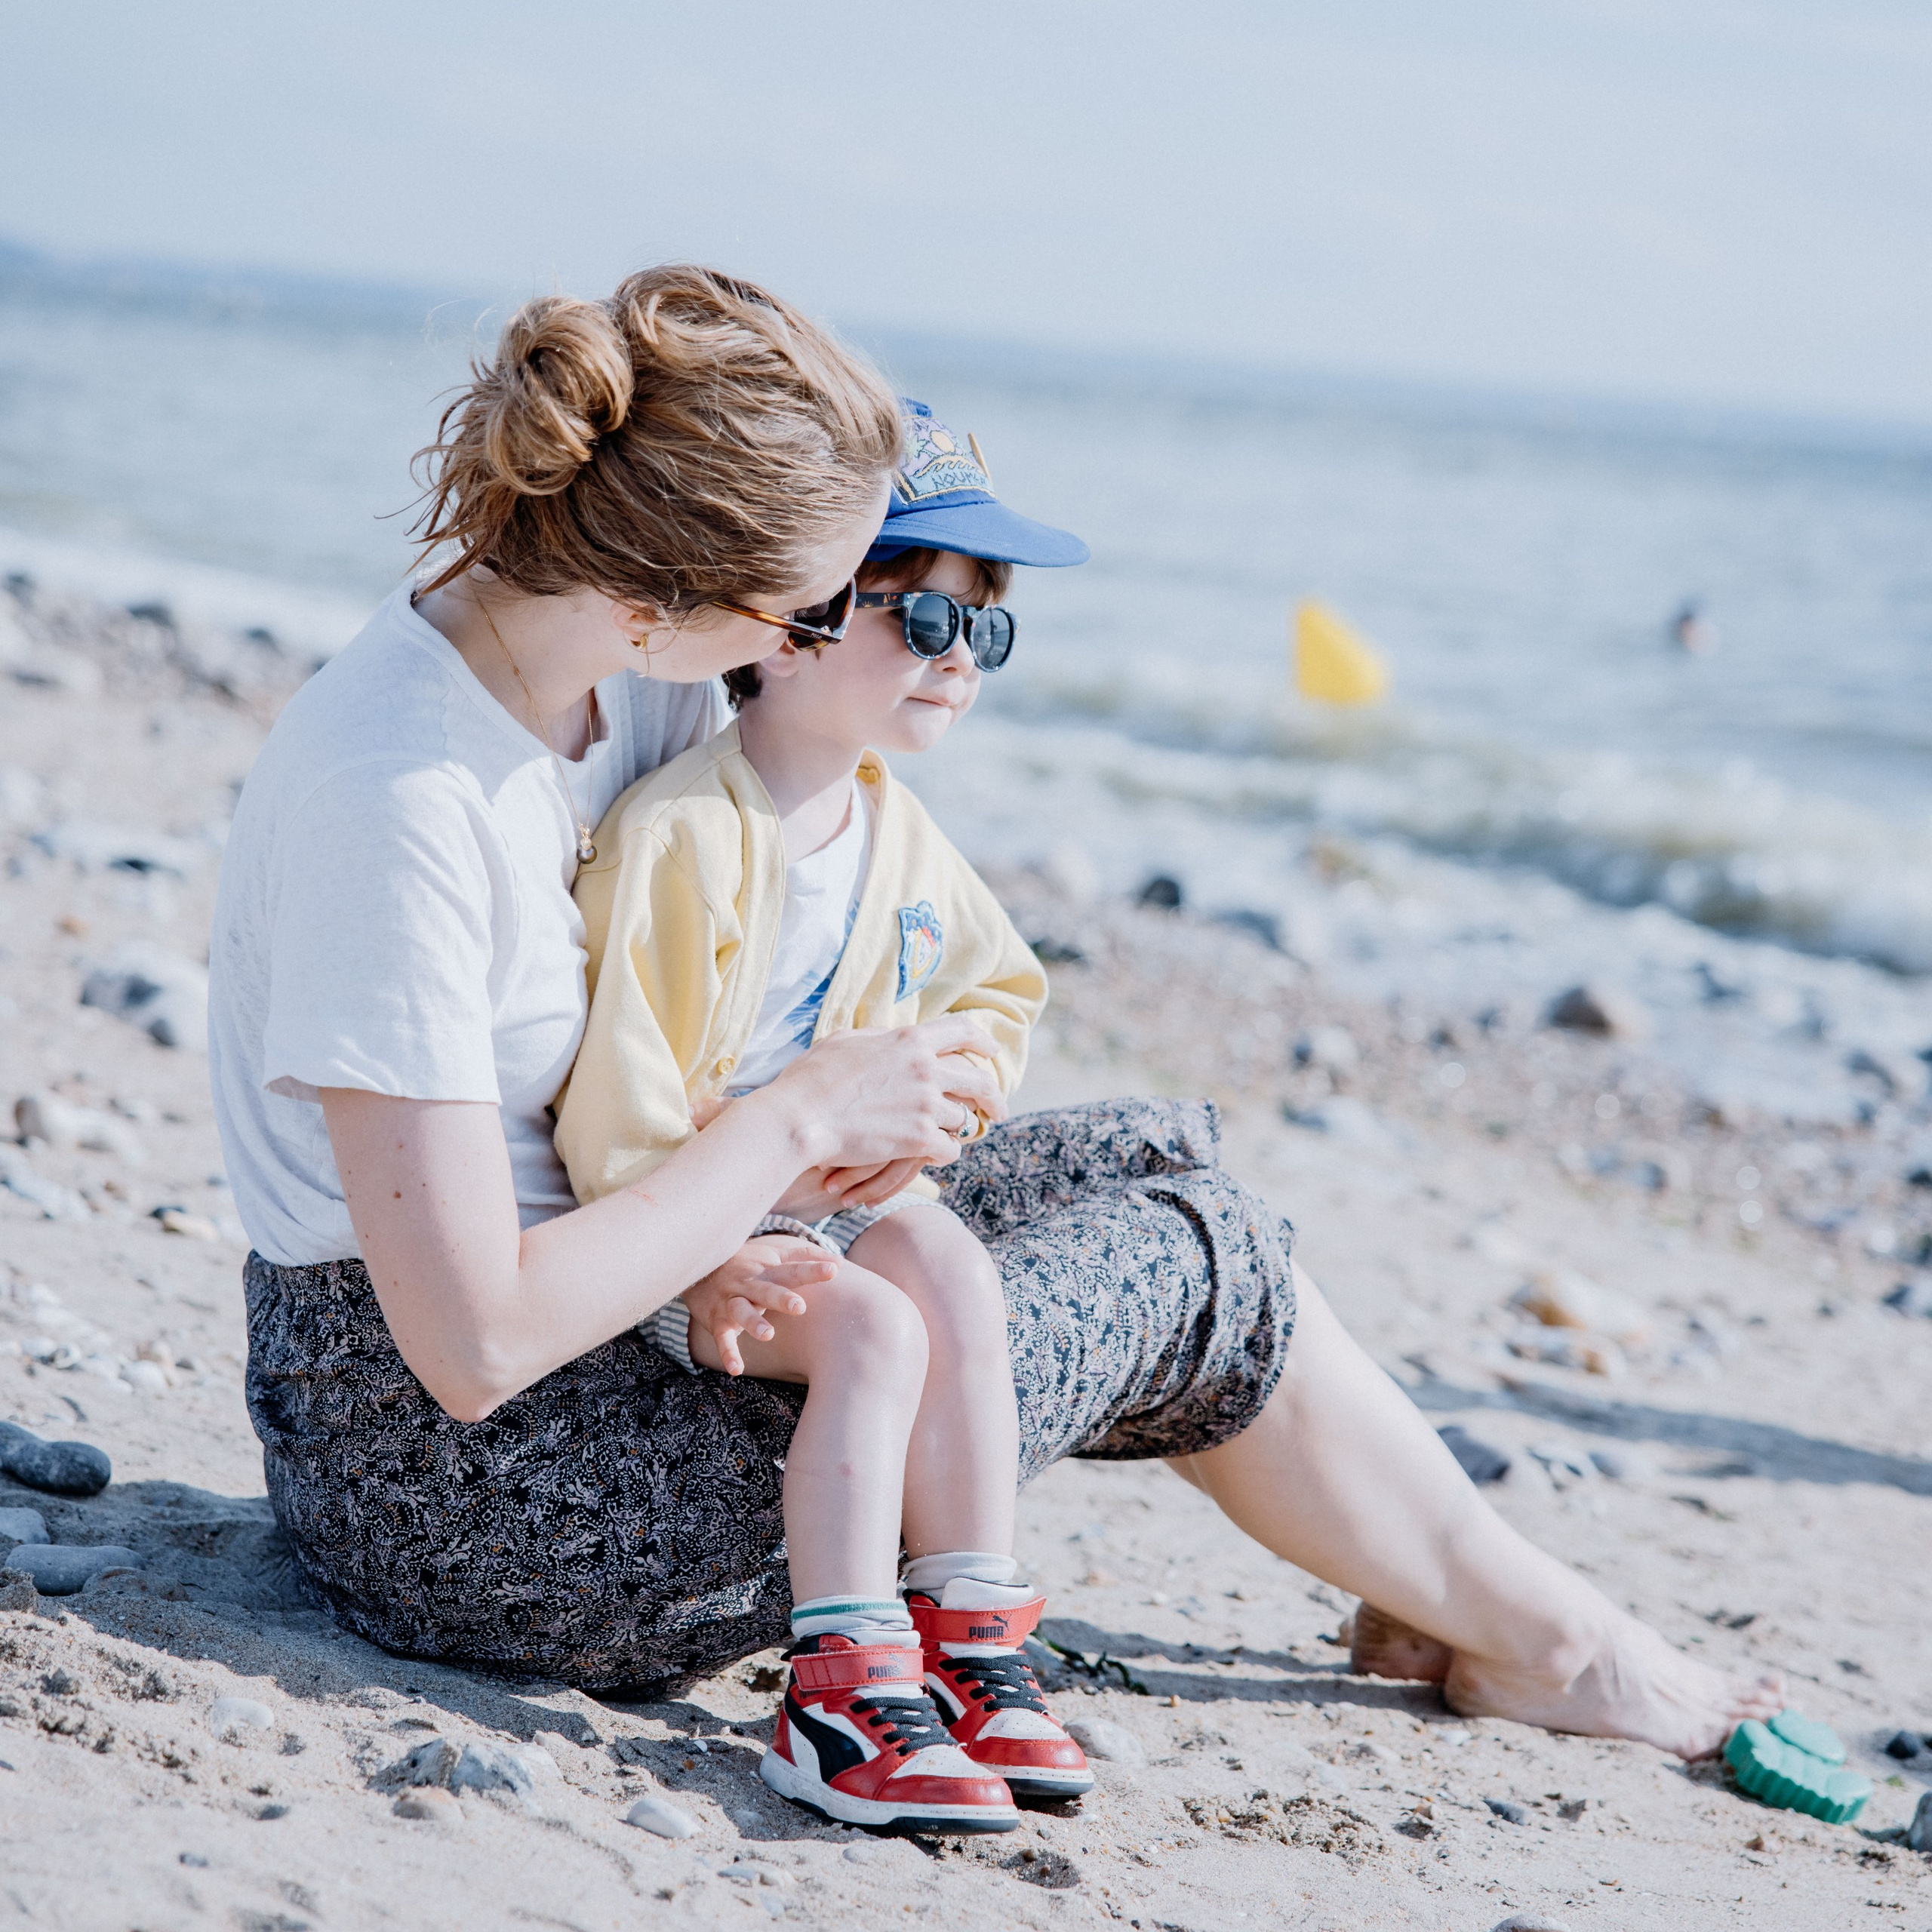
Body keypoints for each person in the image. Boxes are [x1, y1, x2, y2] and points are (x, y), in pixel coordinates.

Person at [210, 267, 1782, 1850]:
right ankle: (1549, 1640)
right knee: (1191, 1263)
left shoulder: (599, 671)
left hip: (630, 1306)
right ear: (671, 595)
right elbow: (471, 1341)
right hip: (467, 1492)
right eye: (809, 609)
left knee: (1148, 1164)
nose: (813, 640)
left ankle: (1458, 1598)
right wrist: (794, 1123)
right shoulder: (402, 804)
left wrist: (856, 1107)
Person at [554, 401, 1093, 1826]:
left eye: (991, 631)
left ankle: (972, 1631)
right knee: (871, 1325)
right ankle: (841, 1681)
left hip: (830, 1189)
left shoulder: (891, 828)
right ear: (795, 615)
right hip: (687, 1222)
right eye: (926, 621)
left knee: (953, 1270)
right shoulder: (680, 836)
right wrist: (707, 1252)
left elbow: (1001, 991)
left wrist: (945, 1103)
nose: (963, 661)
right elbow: (615, 1112)